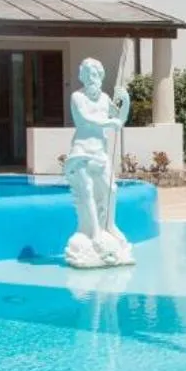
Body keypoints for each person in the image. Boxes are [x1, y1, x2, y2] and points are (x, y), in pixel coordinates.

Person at [62, 56, 134, 268]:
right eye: (89, 74)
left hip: (100, 152)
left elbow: (119, 119)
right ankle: (94, 232)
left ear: (101, 77)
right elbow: (85, 119)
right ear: (82, 77)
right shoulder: (77, 97)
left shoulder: (104, 98)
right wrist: (109, 122)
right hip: (82, 150)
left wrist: (126, 101)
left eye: (96, 74)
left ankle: (109, 226)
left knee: (111, 189)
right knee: (88, 191)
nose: (93, 78)